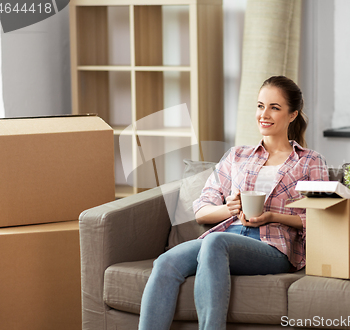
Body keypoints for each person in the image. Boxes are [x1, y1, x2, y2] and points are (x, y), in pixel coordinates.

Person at [138, 76, 329, 330]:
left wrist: (272, 216)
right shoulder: (237, 155)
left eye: (275, 107)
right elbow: (202, 209)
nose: (265, 114)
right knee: (165, 263)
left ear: (292, 115)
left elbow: (321, 217)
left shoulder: (310, 161)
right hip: (228, 234)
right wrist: (227, 208)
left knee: (216, 242)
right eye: (260, 106)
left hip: (273, 246)